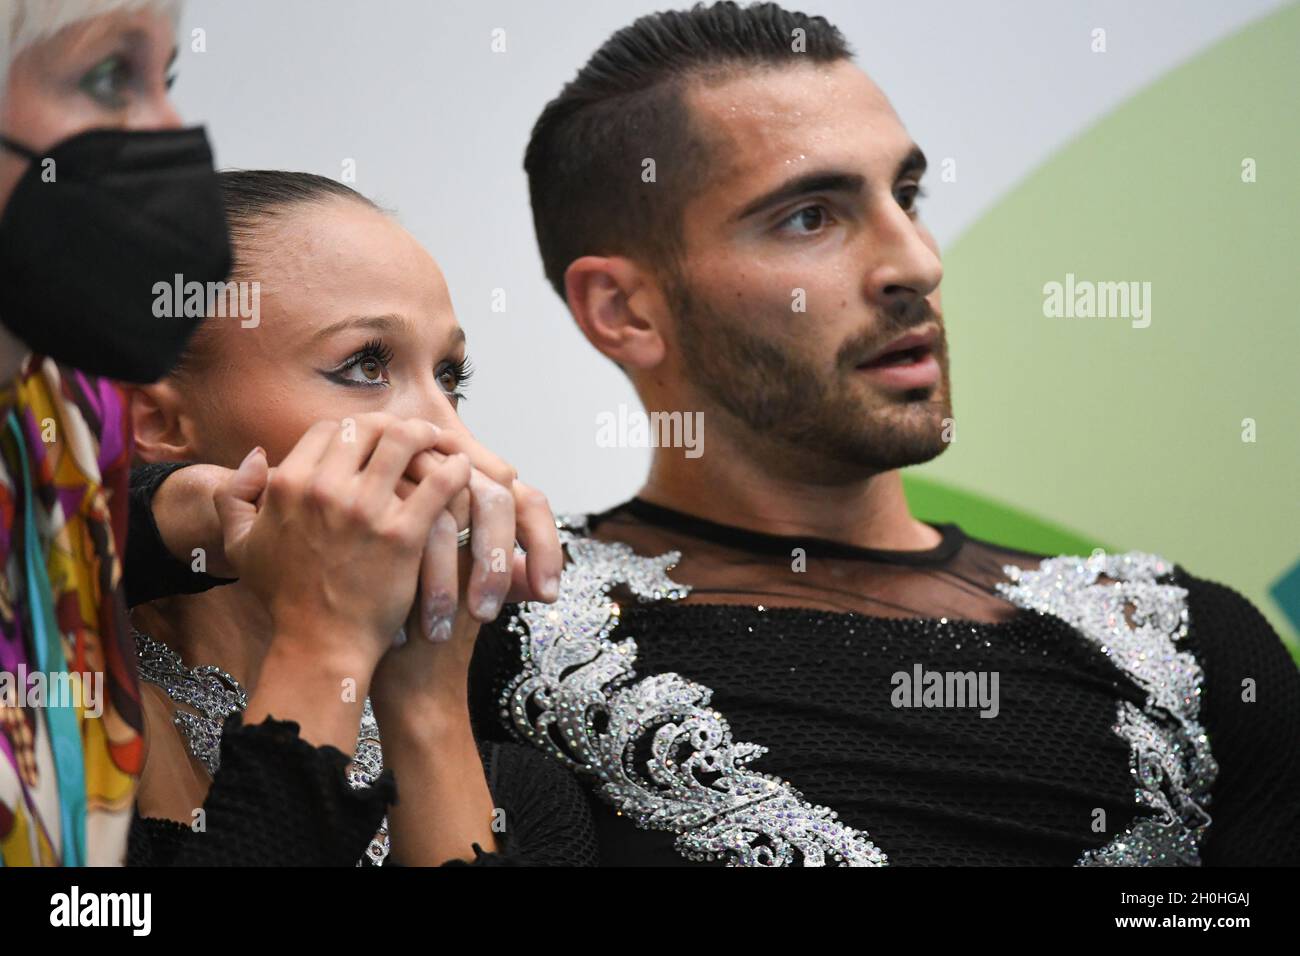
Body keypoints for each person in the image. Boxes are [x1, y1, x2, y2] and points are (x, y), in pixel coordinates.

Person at [465, 1, 1300, 866]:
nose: (916, 264)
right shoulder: (491, 639)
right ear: (625, 309)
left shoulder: (1188, 646)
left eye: (906, 195)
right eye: (810, 217)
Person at [126, 170, 597, 865]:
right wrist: (326, 638)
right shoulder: (57, 728)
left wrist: (426, 702)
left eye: (449, 378)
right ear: (158, 419)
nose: (454, 444)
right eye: (364, 367)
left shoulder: (518, 793)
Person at [0, 0, 232, 866]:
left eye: (167, 79)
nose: (170, 133)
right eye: (109, 76)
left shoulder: (75, 395)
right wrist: (328, 650)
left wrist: (188, 512)